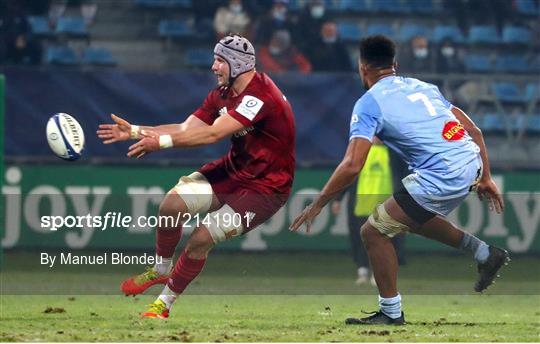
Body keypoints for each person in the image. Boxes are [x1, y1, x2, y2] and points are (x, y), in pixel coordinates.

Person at [290, 35, 509, 325]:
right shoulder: (424, 87)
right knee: (411, 217)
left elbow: (353, 164)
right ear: (395, 64)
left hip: (441, 174)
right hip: (471, 163)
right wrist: (487, 177)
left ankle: (391, 312)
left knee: (372, 232)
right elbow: (475, 130)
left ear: (362, 67)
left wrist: (318, 203)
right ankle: (485, 252)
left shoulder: (368, 103)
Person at [97, 34, 296, 319]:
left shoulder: (260, 96)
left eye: (219, 61)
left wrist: (161, 144)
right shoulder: (222, 93)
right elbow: (185, 128)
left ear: (237, 64)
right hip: (234, 170)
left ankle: (162, 305)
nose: (214, 67)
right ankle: (161, 268)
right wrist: (136, 131)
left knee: (201, 238)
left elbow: (213, 133)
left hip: (266, 187)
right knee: (171, 206)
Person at [331, 140, 406, 286]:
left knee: (385, 240)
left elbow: (404, 176)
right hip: (362, 204)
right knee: (362, 238)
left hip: (387, 206)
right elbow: (348, 175)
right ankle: (362, 271)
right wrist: (338, 198)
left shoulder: (394, 154)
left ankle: (379, 273)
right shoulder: (359, 152)